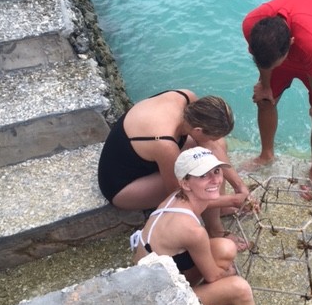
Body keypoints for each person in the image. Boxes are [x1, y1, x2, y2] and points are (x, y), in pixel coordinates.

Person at [130, 146, 304, 305]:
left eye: (216, 172)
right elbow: (213, 275)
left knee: (225, 248)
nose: (214, 180)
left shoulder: (176, 198)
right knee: (238, 287)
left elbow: (206, 201)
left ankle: (214, 299)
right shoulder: (193, 231)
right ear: (185, 182)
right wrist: (226, 278)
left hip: (150, 280)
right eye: (203, 175)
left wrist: (233, 199)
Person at [98, 89, 251, 240]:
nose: (213, 139)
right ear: (198, 130)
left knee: (215, 148)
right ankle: (215, 230)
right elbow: (182, 196)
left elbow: (214, 146)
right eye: (211, 135)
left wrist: (240, 187)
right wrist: (233, 200)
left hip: (145, 156)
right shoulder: (165, 145)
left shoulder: (186, 97)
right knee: (202, 178)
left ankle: (220, 208)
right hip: (122, 185)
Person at [242, 0, 312, 191]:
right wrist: (265, 86)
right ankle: (266, 154)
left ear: (290, 44)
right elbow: (264, 61)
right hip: (276, 50)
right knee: (264, 100)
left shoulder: (310, 43)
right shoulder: (250, 25)